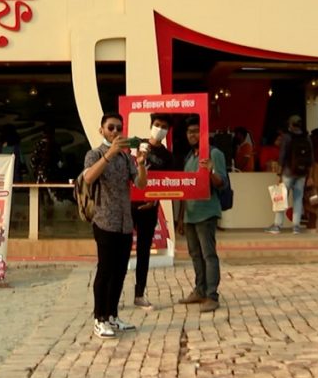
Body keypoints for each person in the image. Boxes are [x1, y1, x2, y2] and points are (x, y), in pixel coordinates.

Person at [83, 112, 147, 339]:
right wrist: (109, 153)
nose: (115, 132)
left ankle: (112, 315)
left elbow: (140, 184)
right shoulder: (95, 154)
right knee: (105, 270)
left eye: (119, 128)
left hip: (125, 223)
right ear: (101, 130)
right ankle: (99, 318)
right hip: (104, 220)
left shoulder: (126, 158)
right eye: (111, 127)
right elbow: (88, 178)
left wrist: (141, 165)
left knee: (120, 271)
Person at [176, 116, 226, 313]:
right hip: (190, 214)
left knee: (208, 255)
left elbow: (221, 183)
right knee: (195, 255)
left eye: (196, 131)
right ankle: (200, 290)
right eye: (190, 132)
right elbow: (185, 189)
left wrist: (211, 171)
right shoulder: (189, 157)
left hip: (207, 212)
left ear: (204, 133)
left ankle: (212, 295)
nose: (192, 135)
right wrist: (181, 218)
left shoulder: (215, 154)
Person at [130, 113, 174, 310]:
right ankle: (113, 295)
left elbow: (168, 183)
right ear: (150, 125)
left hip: (150, 209)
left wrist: (154, 199)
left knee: (143, 252)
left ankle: (139, 294)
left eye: (164, 126)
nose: (160, 129)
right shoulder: (136, 144)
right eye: (157, 125)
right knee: (120, 251)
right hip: (128, 206)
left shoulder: (168, 156)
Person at [266, 115, 311, 235]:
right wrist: (309, 174)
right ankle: (296, 226)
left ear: (290, 125)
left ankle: (277, 225)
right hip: (301, 173)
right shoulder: (306, 137)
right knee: (298, 199)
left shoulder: (287, 137)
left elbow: (282, 156)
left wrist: (279, 173)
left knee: (281, 198)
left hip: (288, 172)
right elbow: (311, 158)